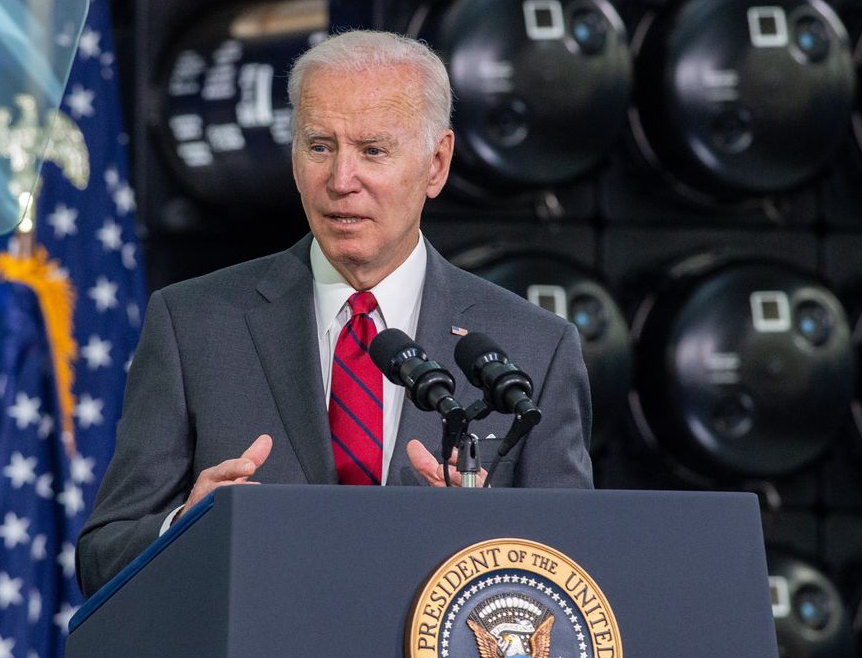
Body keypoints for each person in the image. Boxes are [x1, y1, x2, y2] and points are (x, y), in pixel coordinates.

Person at [77, 30, 593, 596]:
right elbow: (103, 557)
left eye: (373, 151)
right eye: (320, 146)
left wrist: (486, 535)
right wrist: (186, 529)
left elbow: (575, 578)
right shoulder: (193, 323)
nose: (341, 181)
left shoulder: (536, 348)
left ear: (436, 164)